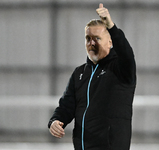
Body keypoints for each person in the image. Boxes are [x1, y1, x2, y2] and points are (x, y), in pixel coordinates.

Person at [48, 3, 136, 150]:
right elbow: (66, 106)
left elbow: (127, 54)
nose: (91, 43)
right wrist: (55, 120)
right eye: (88, 38)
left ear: (110, 42)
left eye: (97, 38)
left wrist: (111, 26)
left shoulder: (120, 69)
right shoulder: (79, 73)